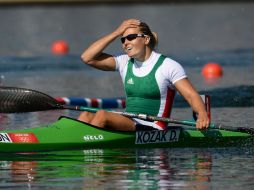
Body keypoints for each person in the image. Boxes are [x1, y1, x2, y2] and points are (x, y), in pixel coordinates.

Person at [79, 19, 210, 131]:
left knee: (102, 115)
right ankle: (78, 143)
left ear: (146, 39)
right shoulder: (124, 62)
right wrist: (116, 32)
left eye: (131, 37)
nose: (125, 42)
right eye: (123, 39)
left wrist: (202, 115)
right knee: (86, 115)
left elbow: (191, 96)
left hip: (154, 126)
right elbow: (87, 57)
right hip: (129, 122)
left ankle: (82, 149)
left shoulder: (168, 65)